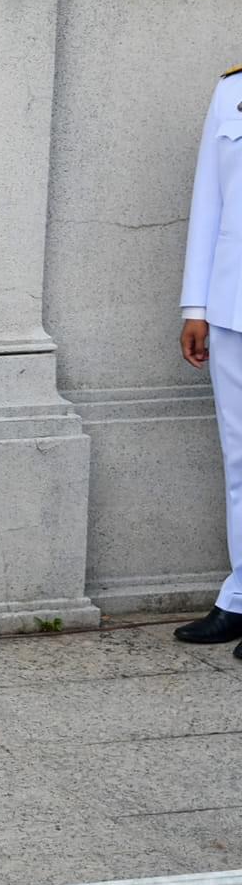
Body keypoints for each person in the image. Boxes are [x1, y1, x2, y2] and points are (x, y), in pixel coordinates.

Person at [177, 61, 242, 654]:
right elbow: (210, 201)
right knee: (239, 457)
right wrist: (194, 305)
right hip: (232, 303)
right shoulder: (232, 89)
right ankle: (240, 595)